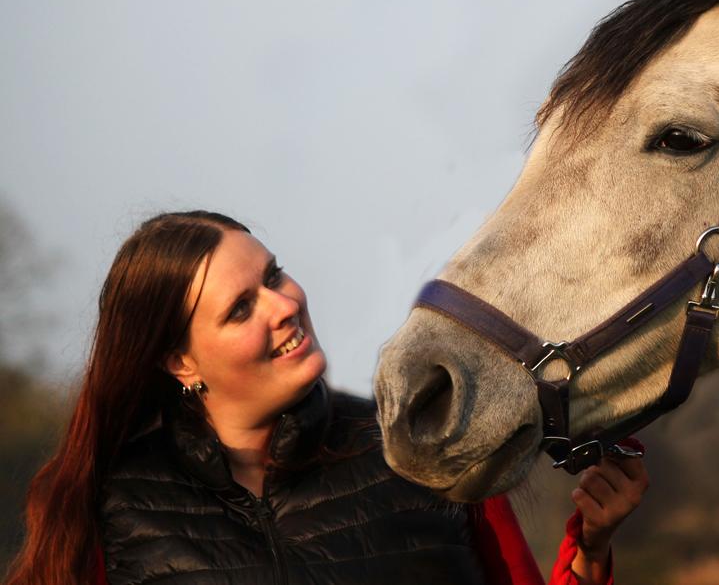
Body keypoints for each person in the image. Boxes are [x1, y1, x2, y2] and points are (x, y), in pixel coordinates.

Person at [5, 211, 649, 585]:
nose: (286, 305)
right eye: (240, 309)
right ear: (180, 361)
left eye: (275, 275)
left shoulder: (417, 449)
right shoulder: (114, 509)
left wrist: (590, 549)